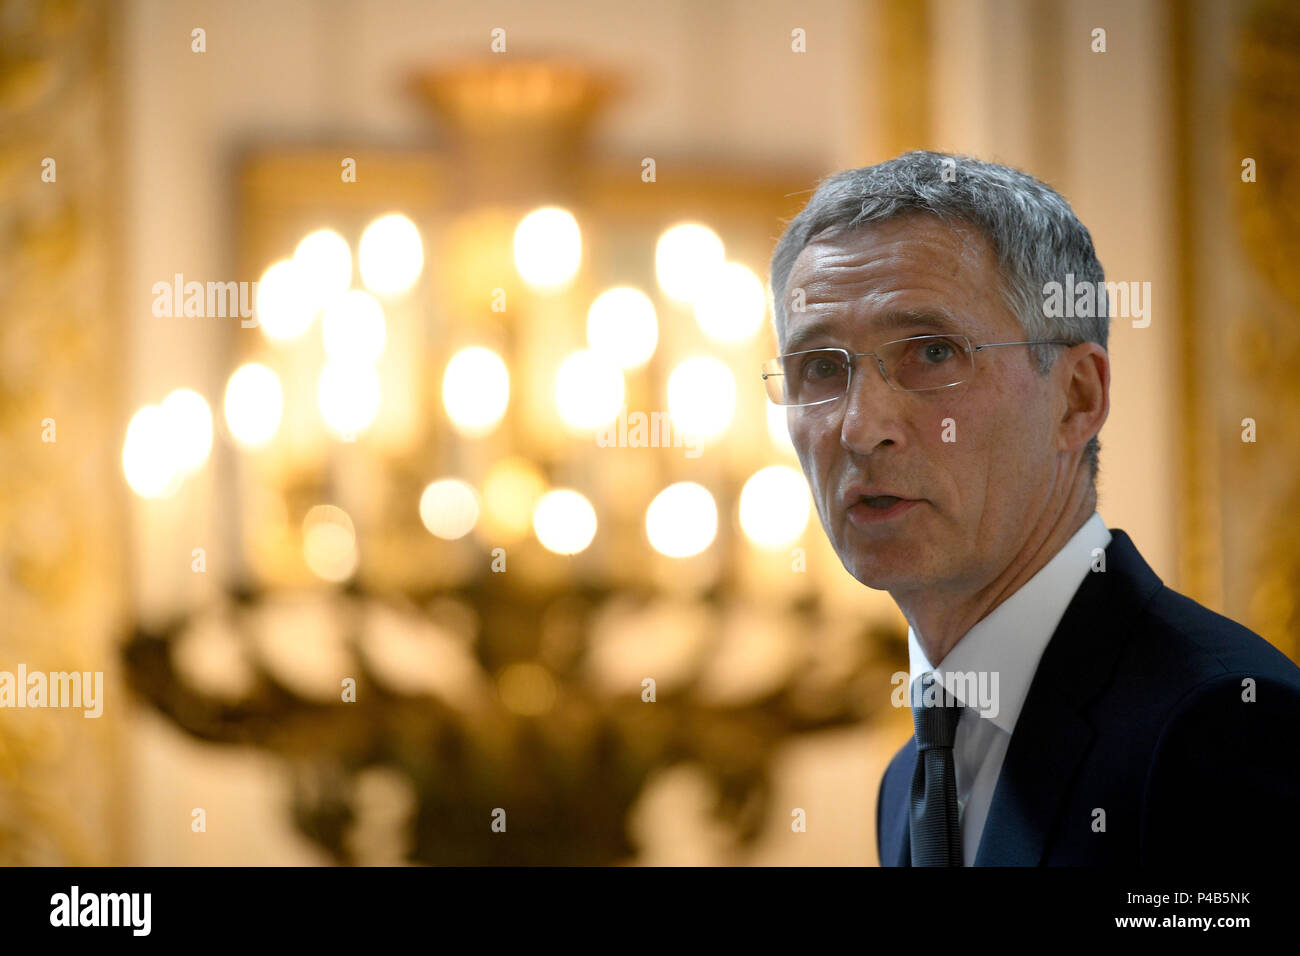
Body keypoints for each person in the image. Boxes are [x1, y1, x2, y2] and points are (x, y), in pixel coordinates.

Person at [765, 150, 1300, 866]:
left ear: (1076, 398)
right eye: (823, 368)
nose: (861, 427)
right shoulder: (906, 783)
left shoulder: (1226, 726)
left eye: (932, 352)